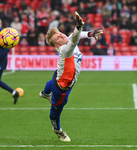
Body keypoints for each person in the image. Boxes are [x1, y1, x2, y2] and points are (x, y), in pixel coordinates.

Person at [39, 12, 104, 142]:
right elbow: (75, 38)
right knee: (56, 110)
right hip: (61, 87)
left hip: (63, 76)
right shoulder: (65, 49)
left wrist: (90, 34)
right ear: (57, 46)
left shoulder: (67, 39)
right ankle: (57, 130)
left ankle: (45, 93)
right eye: (57, 38)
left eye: (59, 33)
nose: (61, 35)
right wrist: (78, 27)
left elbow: (76, 36)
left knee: (51, 82)